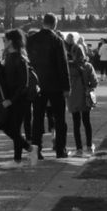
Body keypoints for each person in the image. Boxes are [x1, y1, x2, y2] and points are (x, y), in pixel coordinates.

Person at [25, 13, 72, 159]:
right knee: (59, 119)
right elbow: (62, 65)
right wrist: (66, 86)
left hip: (38, 83)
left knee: (37, 118)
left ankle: (36, 149)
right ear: (55, 24)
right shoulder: (57, 40)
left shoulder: (31, 39)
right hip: (55, 84)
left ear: (43, 23)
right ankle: (60, 149)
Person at [0, 29, 36, 163]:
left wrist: (11, 100)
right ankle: (23, 155)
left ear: (11, 42)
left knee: (12, 128)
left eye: (5, 40)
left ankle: (21, 157)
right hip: (11, 98)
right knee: (8, 127)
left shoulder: (20, 59)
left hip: (18, 100)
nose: (3, 42)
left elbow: (23, 84)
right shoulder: (9, 57)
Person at [67, 46, 97, 156]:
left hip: (72, 97)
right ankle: (89, 146)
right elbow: (94, 82)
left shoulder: (68, 67)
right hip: (85, 97)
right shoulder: (88, 66)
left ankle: (78, 149)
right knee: (86, 122)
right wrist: (89, 87)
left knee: (76, 123)